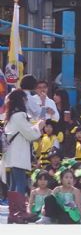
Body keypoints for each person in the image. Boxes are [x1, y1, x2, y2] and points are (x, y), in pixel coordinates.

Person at [4, 89, 43, 223]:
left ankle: (13, 213)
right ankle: (21, 212)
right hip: (19, 153)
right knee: (20, 182)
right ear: (21, 100)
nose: (27, 101)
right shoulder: (20, 115)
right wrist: (39, 126)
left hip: (11, 154)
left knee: (13, 183)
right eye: (25, 99)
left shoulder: (10, 116)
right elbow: (31, 134)